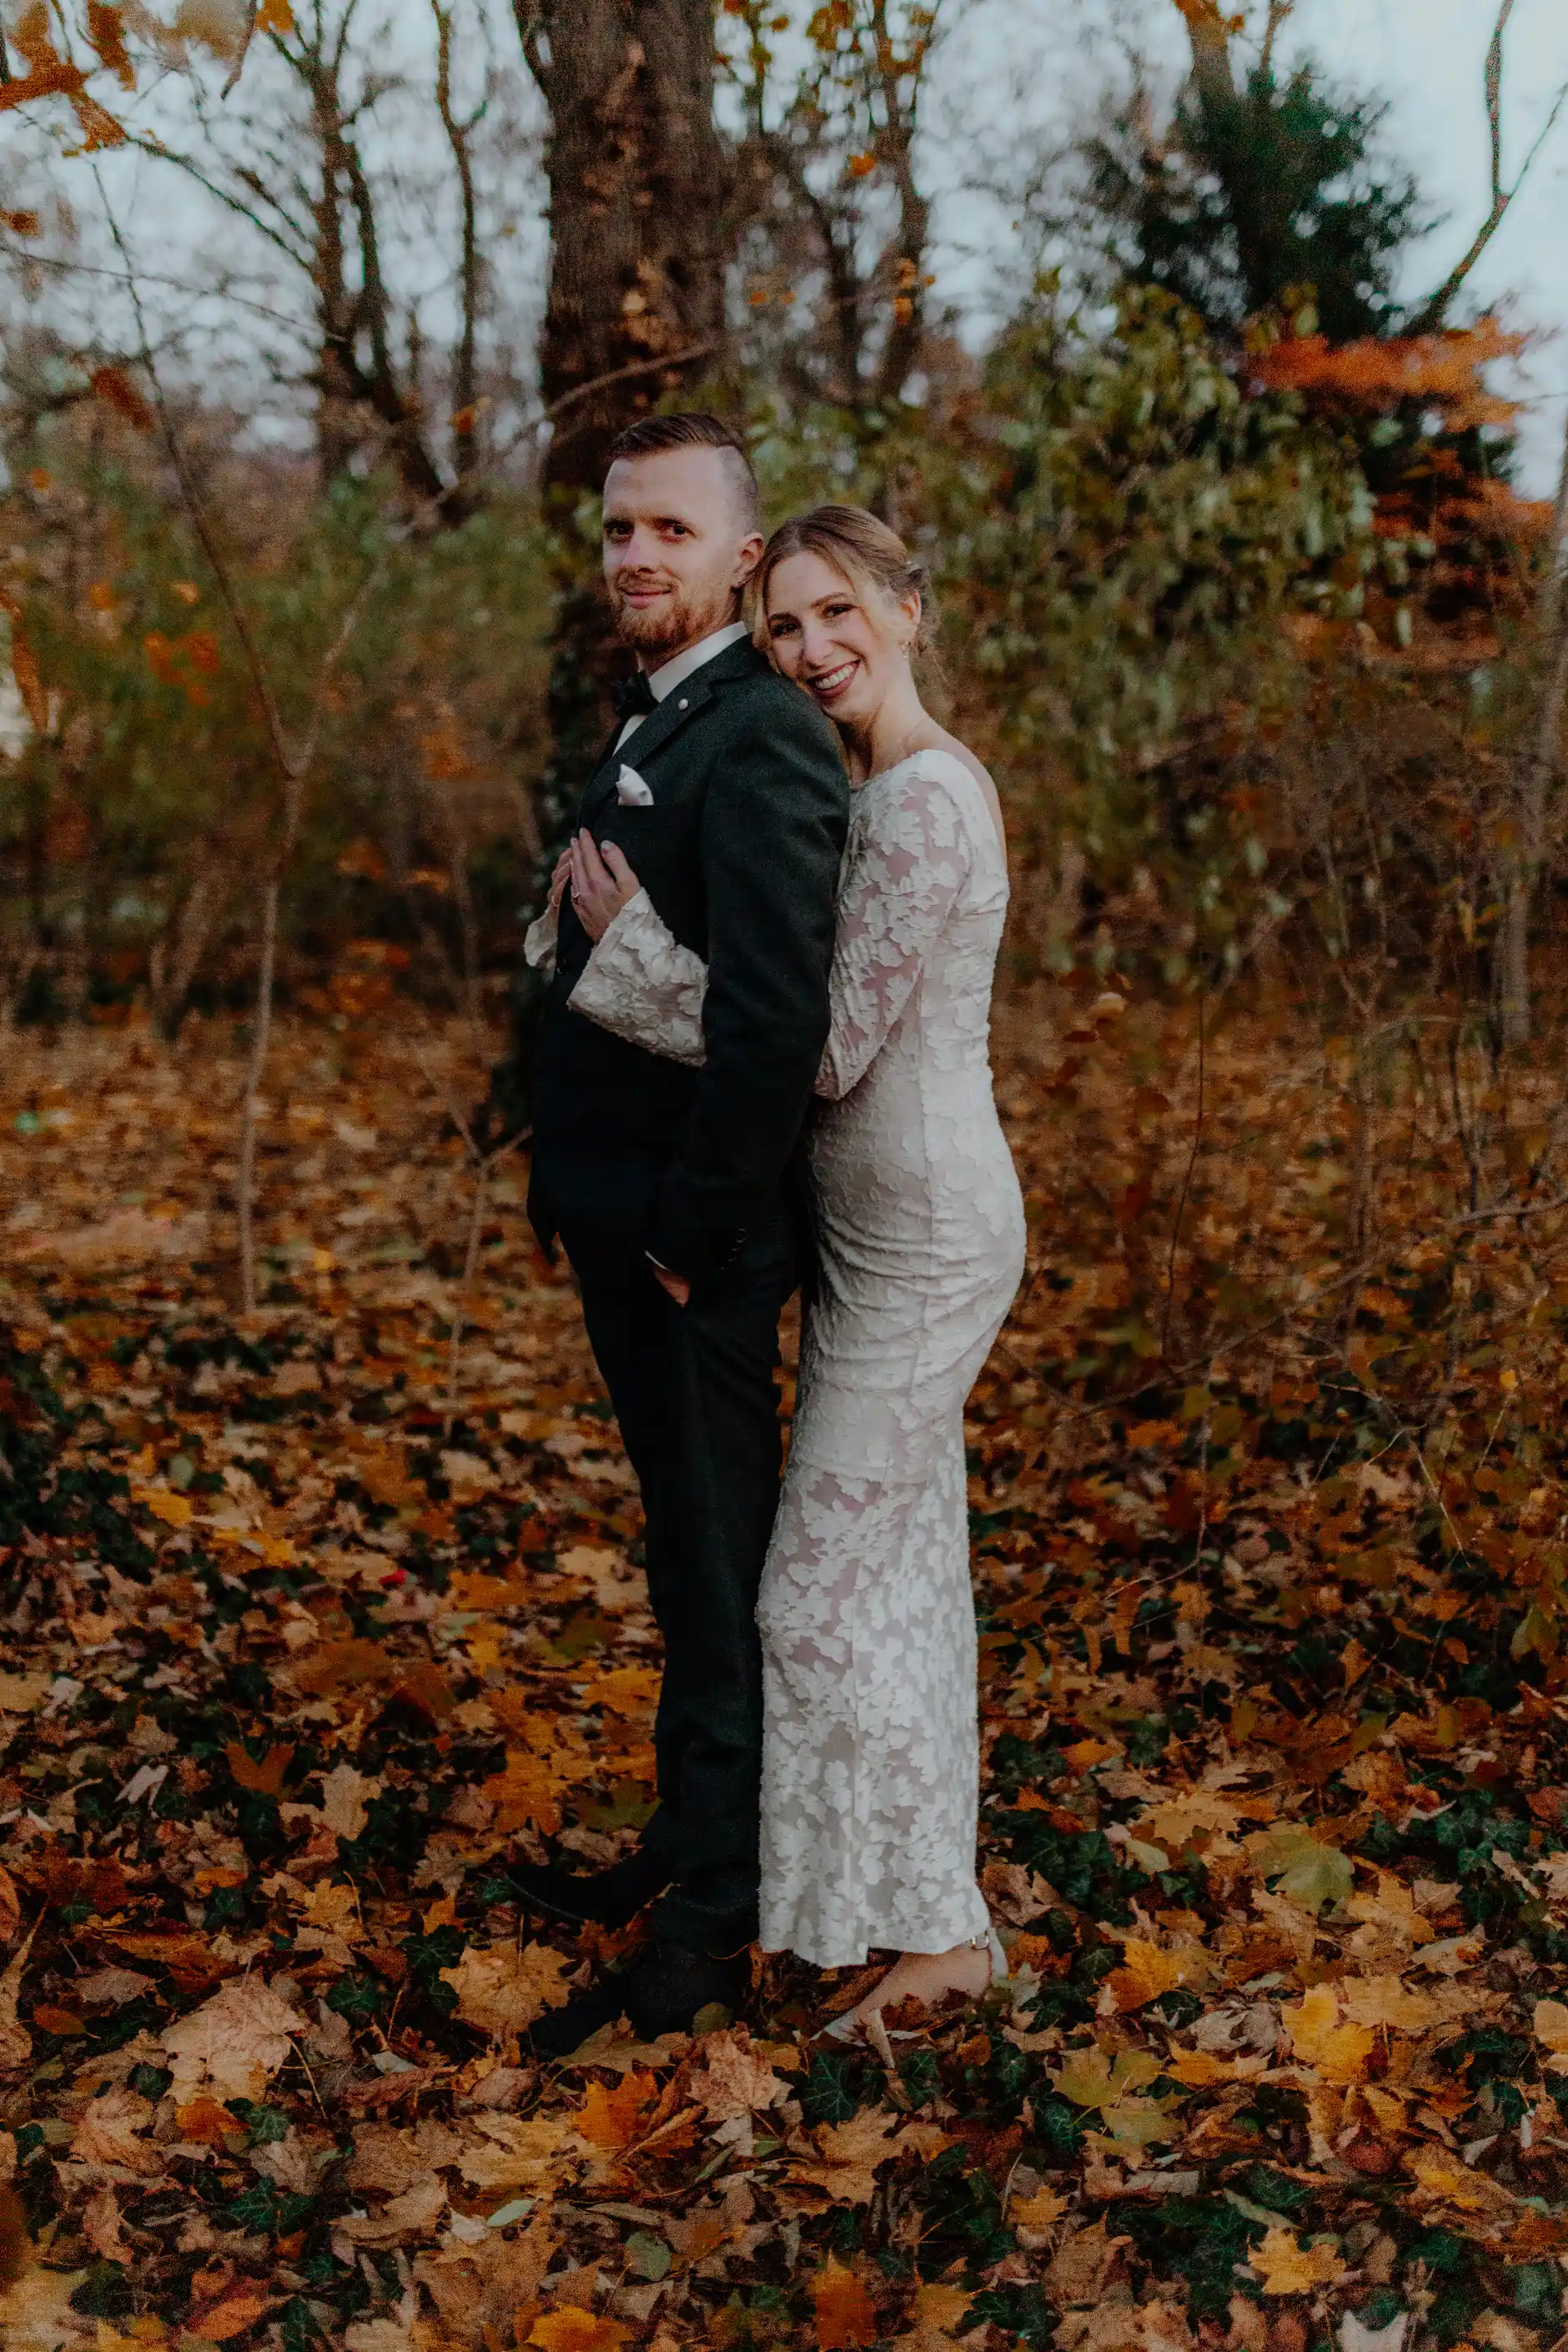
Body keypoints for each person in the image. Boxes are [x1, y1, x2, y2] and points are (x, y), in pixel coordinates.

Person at [563, 505, 1027, 2033]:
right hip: (873, 1238)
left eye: (843, 615)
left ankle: (937, 1933)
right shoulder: (884, 786)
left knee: (816, 1593)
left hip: (925, 1244)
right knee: (897, 1576)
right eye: (786, 628)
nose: (815, 650)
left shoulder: (924, 804)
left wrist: (635, 959)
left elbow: (820, 1053)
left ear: (912, 607)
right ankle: (902, 1909)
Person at [515, 420, 851, 2052]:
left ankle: (711, 1927)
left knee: (720, 1573)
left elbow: (777, 1030)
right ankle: (685, 1841)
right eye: (615, 531)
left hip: (687, 1246)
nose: (633, 555)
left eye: (665, 529)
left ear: (738, 554)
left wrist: (691, 1235)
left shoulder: (764, 738)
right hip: (621, 1220)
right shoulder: (665, 718)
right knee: (681, 1551)